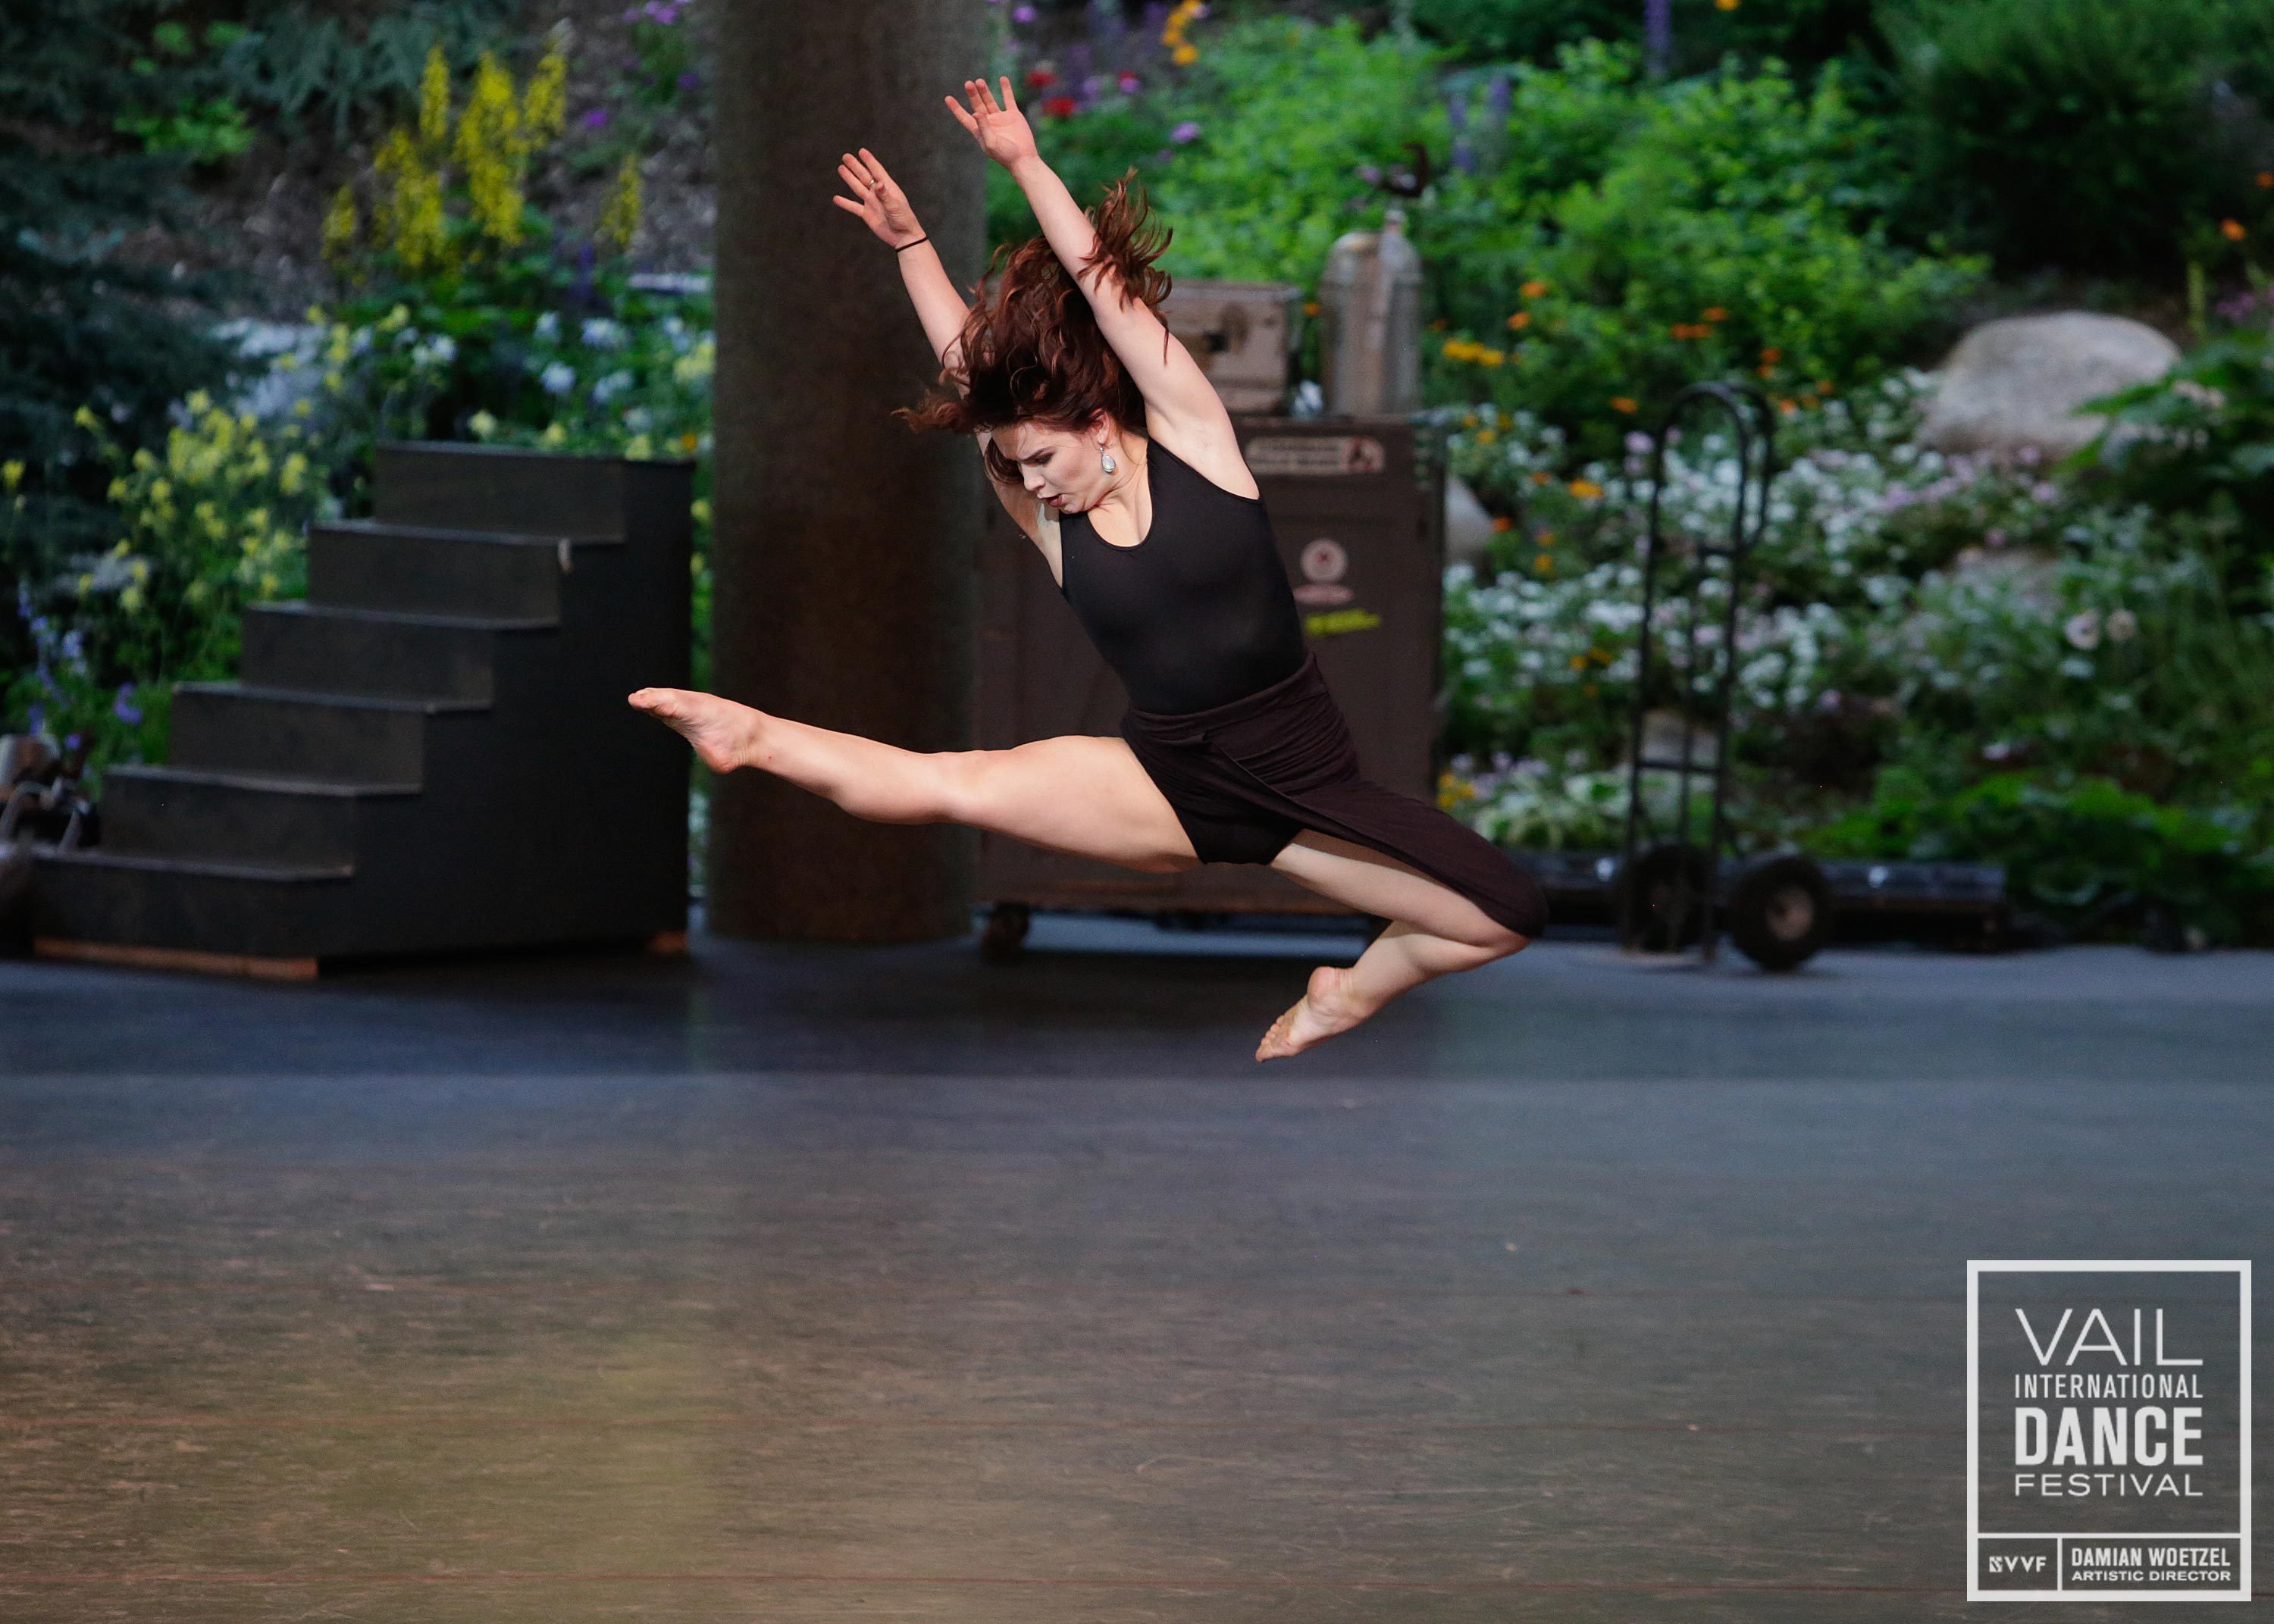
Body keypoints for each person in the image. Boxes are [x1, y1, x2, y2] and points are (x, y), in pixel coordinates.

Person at [631, 76, 1547, 1061]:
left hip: (1302, 784)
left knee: (1505, 916)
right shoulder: (1048, 515)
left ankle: (1345, 994)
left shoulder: (1197, 442)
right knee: (955, 785)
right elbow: (971, 377)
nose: (1030, 484)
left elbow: (1107, 292)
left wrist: (1026, 164)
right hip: (1166, 779)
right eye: (1016, 467)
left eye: (1042, 459)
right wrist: (910, 246)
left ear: (1099, 424)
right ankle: (753, 736)